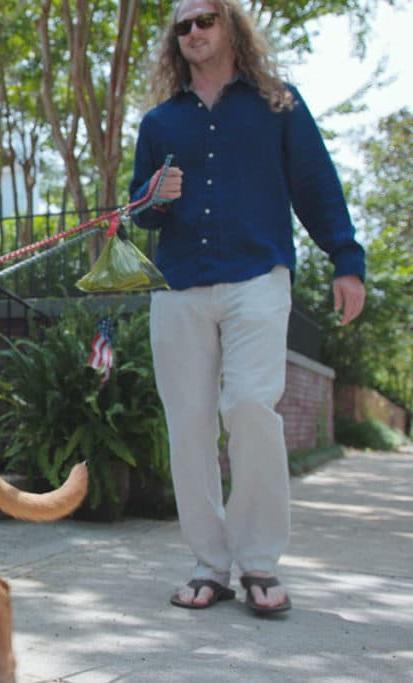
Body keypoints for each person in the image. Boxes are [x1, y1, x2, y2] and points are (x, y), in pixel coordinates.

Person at [129, 0, 366, 616]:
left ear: (231, 26)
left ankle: (259, 560)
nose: (193, 33)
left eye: (204, 20)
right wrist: (153, 198)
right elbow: (139, 212)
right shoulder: (159, 122)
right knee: (189, 426)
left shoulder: (277, 106)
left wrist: (347, 258)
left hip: (258, 277)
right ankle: (210, 565)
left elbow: (317, 184)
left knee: (250, 406)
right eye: (182, 26)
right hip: (179, 287)